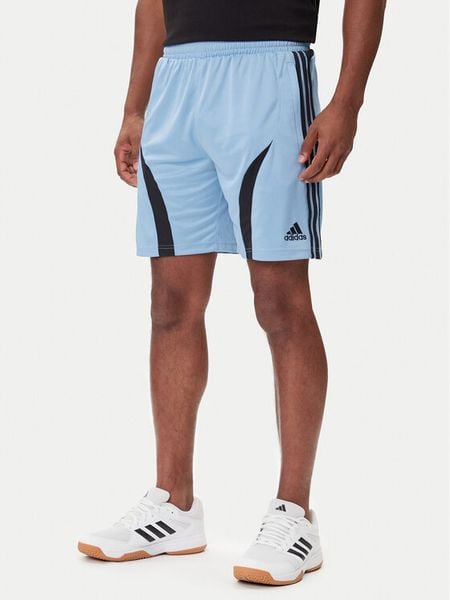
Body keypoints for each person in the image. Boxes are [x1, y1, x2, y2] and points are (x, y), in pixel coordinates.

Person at [78, 0, 385, 586]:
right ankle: (174, 505)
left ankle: (295, 514)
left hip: (268, 74)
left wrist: (347, 102)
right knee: (170, 302)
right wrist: (135, 107)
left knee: (279, 302)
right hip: (177, 81)